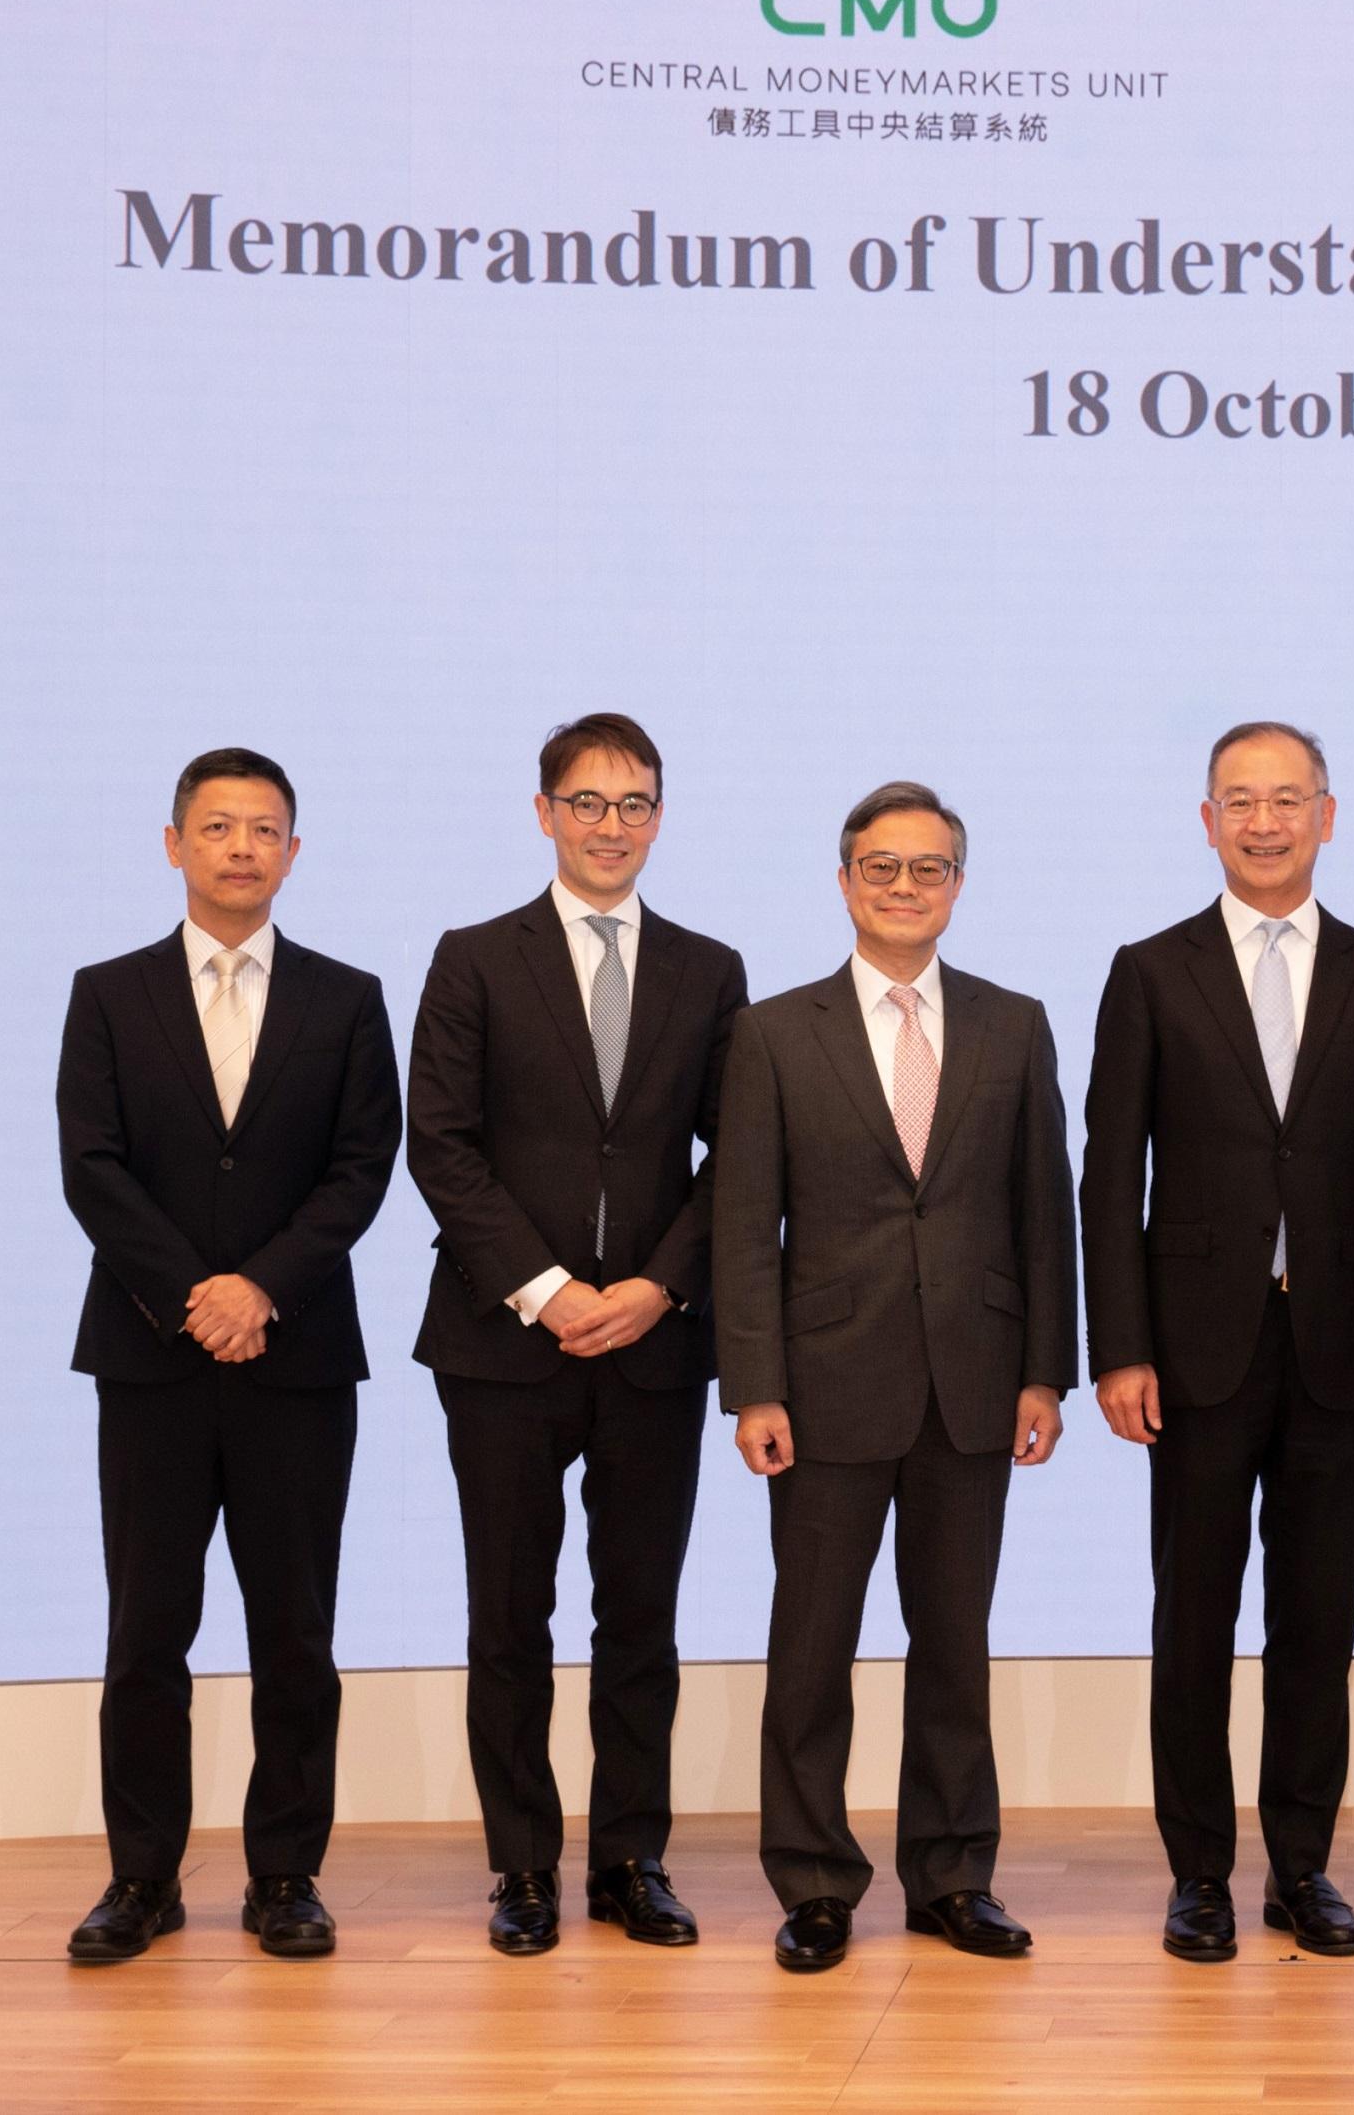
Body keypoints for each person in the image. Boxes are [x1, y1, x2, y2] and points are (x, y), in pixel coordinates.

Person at [1080, 721, 1354, 1962]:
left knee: (1315, 1618)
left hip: (1340, 1347)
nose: (1266, 820)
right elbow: (1105, 1174)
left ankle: (1301, 1867)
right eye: (1242, 799)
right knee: (1192, 1615)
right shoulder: (1149, 969)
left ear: (1327, 816)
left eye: (1289, 799)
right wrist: (1116, 1347)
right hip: (1189, 1353)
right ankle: (1198, 1874)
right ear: (1207, 818)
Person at [715, 781, 1077, 1972]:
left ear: (958, 887)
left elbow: (1045, 1211)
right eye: (883, 867)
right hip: (818, 1390)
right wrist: (753, 1385)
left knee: (954, 1642)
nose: (906, 887)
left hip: (974, 1384)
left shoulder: (1015, 1023)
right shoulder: (774, 1030)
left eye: (929, 868)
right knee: (809, 1646)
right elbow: (742, 1223)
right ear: (844, 882)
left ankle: (953, 1874)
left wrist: (1045, 1372)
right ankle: (815, 1883)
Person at [404, 714, 750, 1956]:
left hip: (654, 1342)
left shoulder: (710, 970)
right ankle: (521, 1867)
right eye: (589, 801)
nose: (612, 825)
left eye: (636, 802)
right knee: (509, 1612)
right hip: (504, 1345)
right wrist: (546, 1287)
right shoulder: (474, 957)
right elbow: (437, 1142)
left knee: (639, 1615)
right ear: (543, 810)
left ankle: (631, 1858)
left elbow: (737, 1157)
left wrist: (660, 1285)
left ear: (661, 816)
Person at [54, 750, 402, 1965]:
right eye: (218, 826)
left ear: (294, 853)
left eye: (265, 829)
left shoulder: (348, 997)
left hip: (297, 1357)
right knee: (146, 1628)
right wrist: (192, 1295)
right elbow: (91, 1166)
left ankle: (285, 1874)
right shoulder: (108, 992)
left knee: (294, 1631)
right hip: (151, 1360)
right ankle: (140, 1878)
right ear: (174, 844)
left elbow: (364, 1165)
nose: (242, 846)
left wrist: (262, 1287)